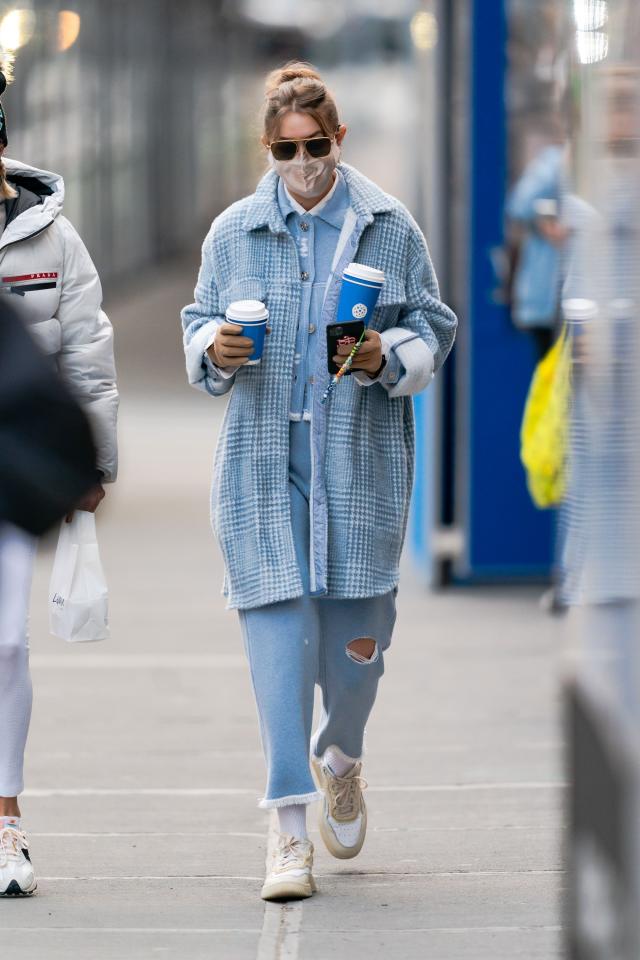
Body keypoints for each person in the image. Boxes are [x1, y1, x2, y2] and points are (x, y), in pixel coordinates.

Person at [181, 62, 456, 901]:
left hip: (359, 462)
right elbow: (199, 328)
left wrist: (384, 356)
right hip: (265, 467)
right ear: (266, 148)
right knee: (276, 642)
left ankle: (341, 756)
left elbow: (433, 328)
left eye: (316, 146)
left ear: (341, 140)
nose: (302, 164)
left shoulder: (387, 227)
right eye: (285, 150)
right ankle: (288, 830)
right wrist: (214, 352)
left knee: (355, 651)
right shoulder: (235, 231)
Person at [0, 64, 118, 897]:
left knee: (4, 645)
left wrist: (94, 463)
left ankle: (6, 825)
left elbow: (88, 352)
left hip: (9, 469)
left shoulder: (48, 236)